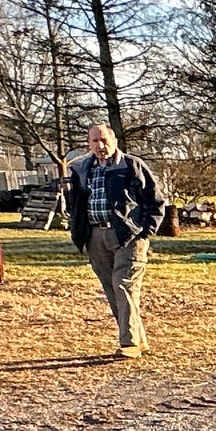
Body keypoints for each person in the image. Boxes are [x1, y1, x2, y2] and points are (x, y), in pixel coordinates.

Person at [65, 123, 163, 357]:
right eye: (94, 141)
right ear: (88, 144)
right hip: (95, 236)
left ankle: (128, 344)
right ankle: (138, 340)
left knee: (124, 286)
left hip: (128, 236)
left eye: (104, 140)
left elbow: (155, 200)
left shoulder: (131, 166)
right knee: (112, 289)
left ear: (114, 140)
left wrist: (144, 231)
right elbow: (75, 204)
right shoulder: (81, 169)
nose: (100, 146)